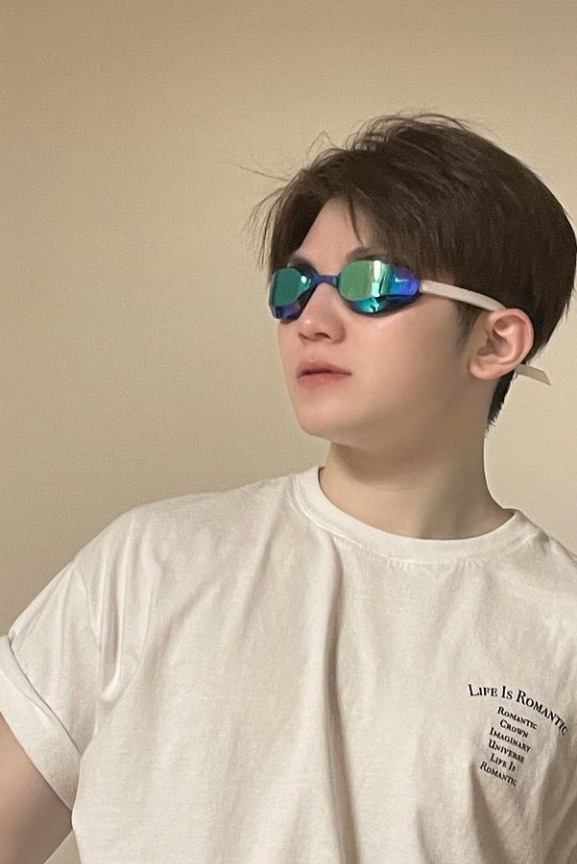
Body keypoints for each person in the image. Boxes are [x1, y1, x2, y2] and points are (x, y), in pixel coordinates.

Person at [1, 112, 576, 864]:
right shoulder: (148, 565)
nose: (311, 320)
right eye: (295, 286)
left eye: (372, 284)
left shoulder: (559, 626)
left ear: (495, 341)